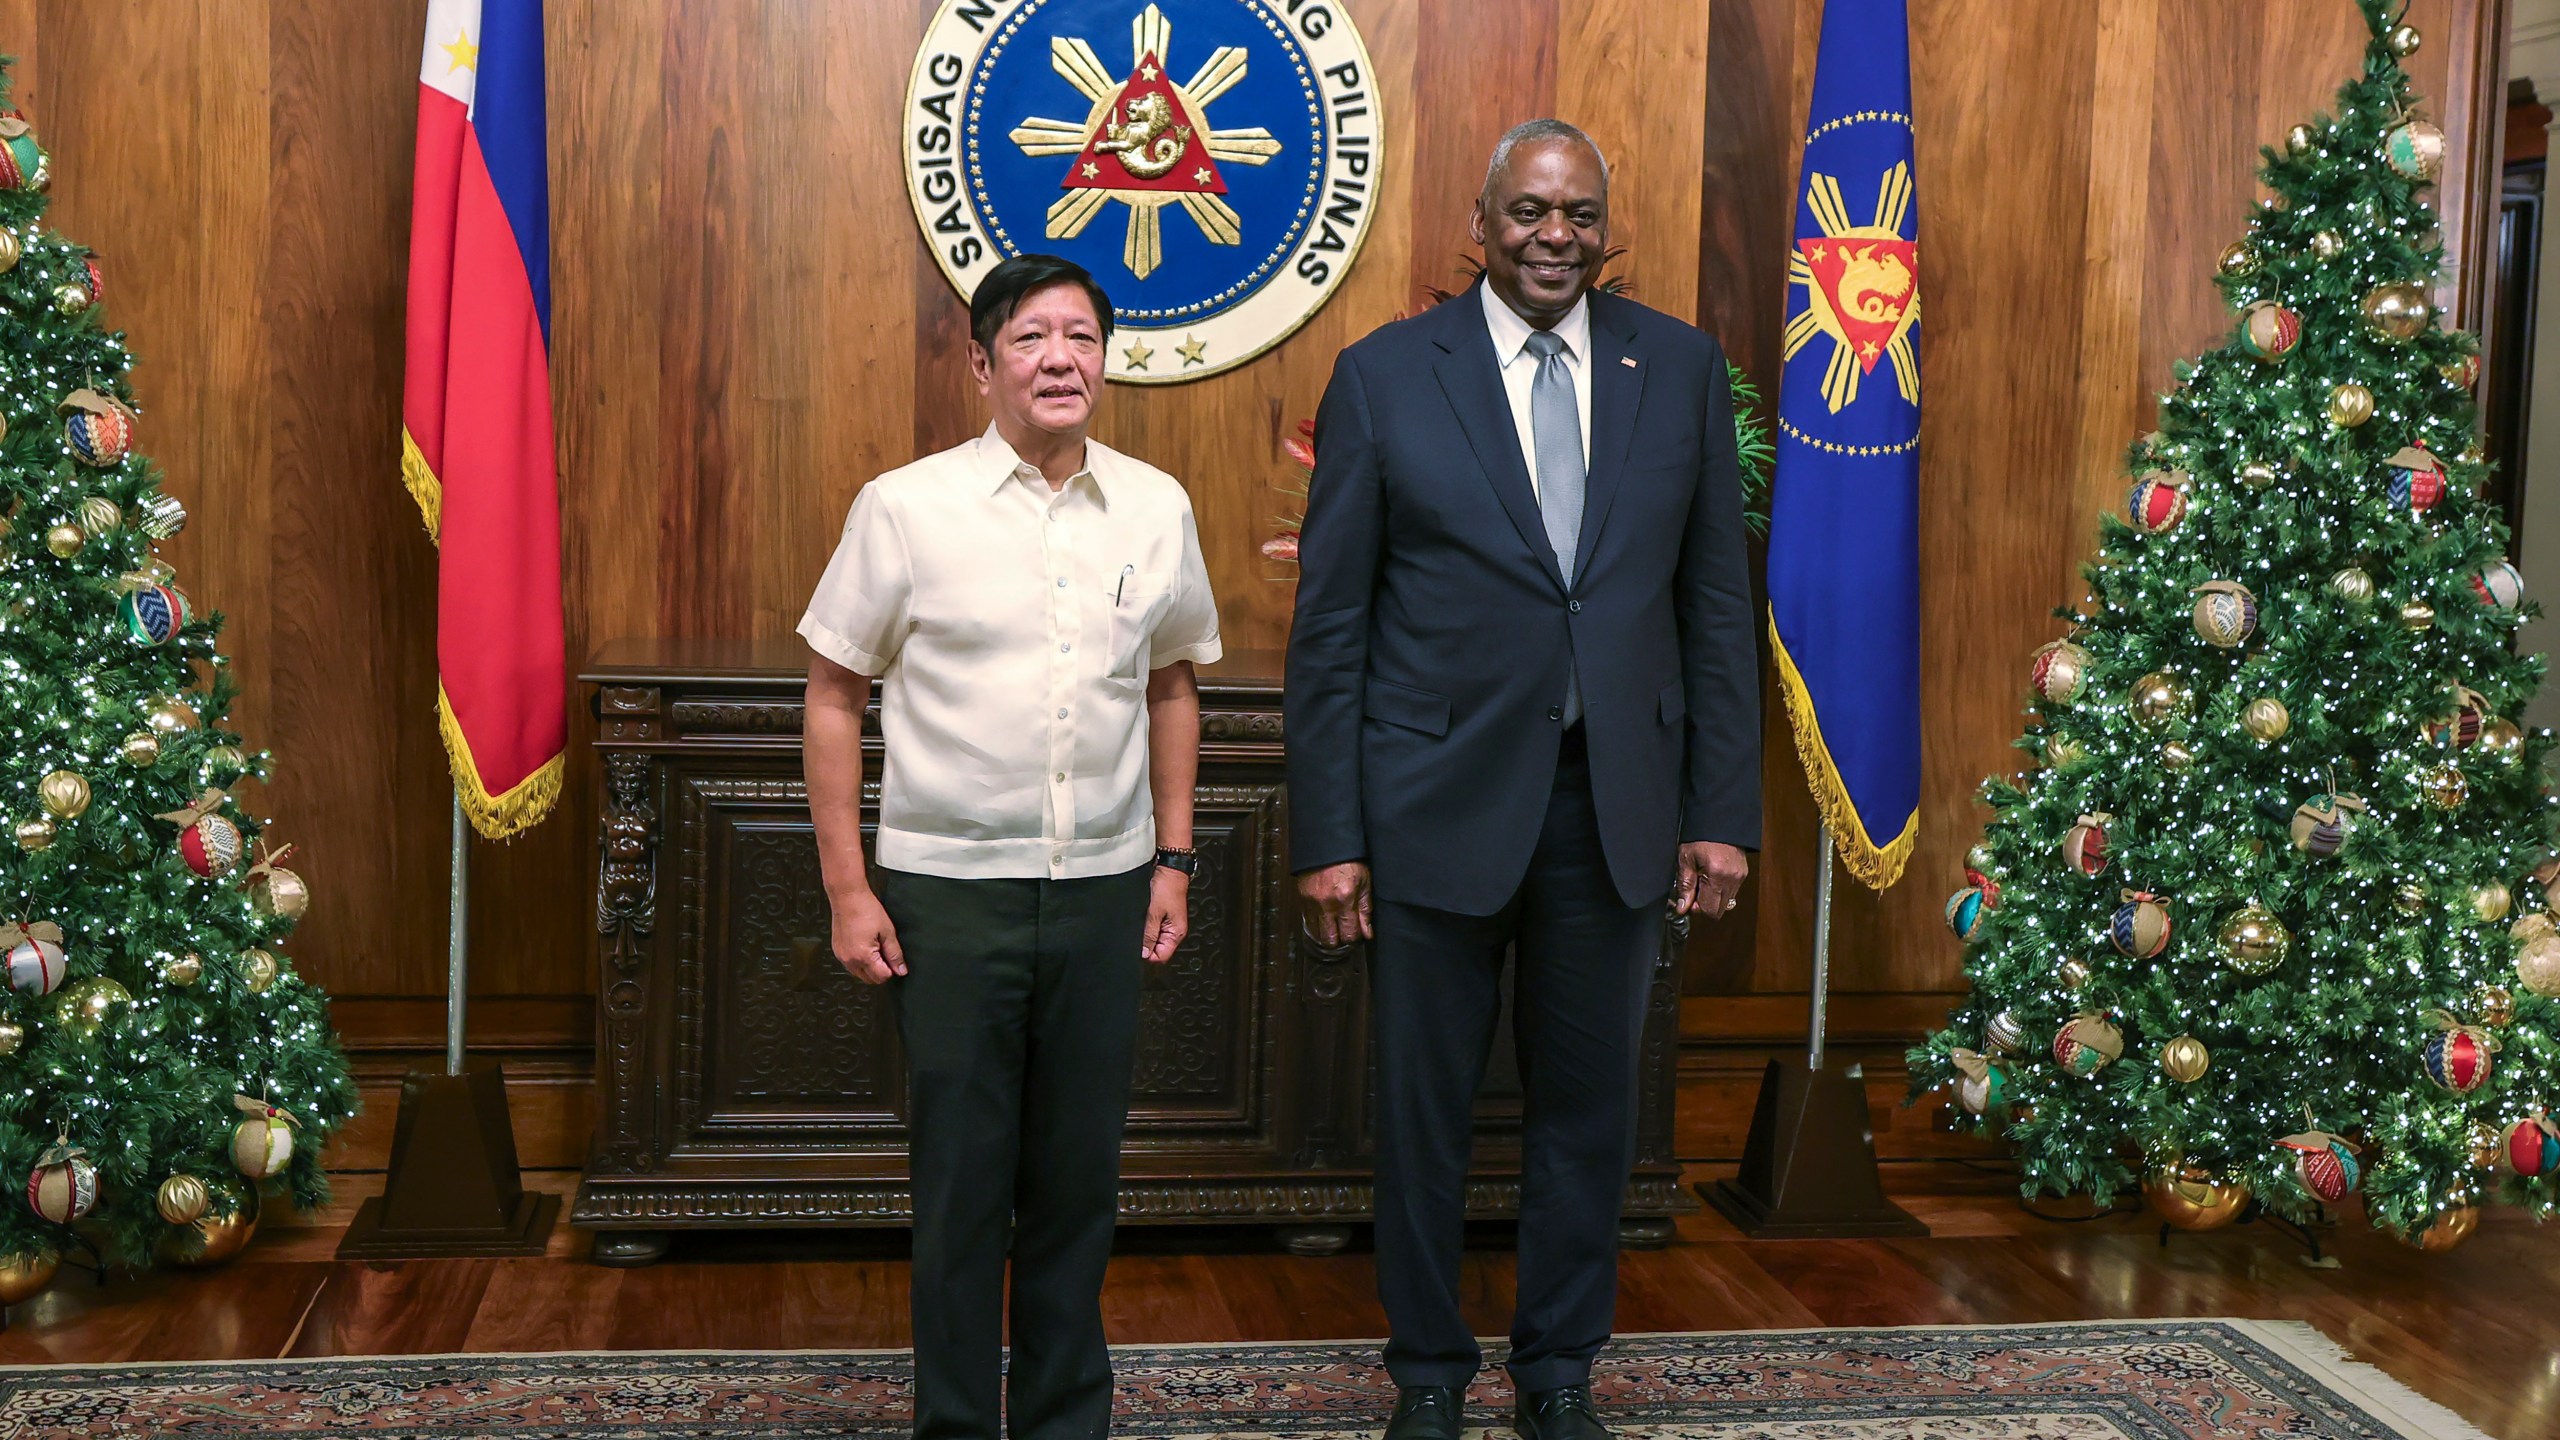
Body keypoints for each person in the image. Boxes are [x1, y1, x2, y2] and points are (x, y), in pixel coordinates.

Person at [1284, 120, 1760, 1440]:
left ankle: (1558, 1371)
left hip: (1611, 812)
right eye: (1530, 211)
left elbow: (1716, 608)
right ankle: (1428, 1372)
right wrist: (1330, 833)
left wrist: (1721, 813)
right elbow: (1332, 628)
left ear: (1609, 231)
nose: (1556, 234)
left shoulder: (1679, 370)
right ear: (1482, 223)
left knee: (1590, 1118)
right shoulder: (1387, 378)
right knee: (1423, 1117)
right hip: (1430, 807)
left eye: (1581, 213)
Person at [799, 253, 1222, 1440]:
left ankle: (1060, 1423)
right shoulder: (905, 507)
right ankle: (951, 1424)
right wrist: (848, 888)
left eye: (1082, 337)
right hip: (947, 901)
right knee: (961, 1193)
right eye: (1032, 338)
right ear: (981, 365)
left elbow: (1174, 688)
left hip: (1100, 895)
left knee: (1078, 1188)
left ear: (1104, 361)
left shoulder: (1155, 505)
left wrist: (1174, 860)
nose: (1060, 359)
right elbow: (833, 695)